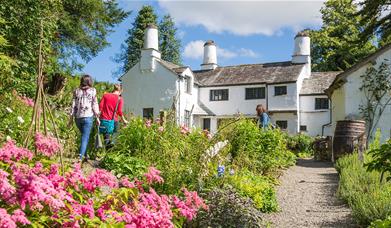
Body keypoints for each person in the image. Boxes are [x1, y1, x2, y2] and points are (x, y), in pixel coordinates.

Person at [69, 75, 100, 162]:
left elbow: (73, 105)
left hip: (78, 118)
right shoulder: (93, 91)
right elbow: (94, 104)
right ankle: (80, 157)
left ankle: (85, 156)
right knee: (85, 137)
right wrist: (97, 117)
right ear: (89, 81)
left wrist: (71, 118)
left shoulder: (76, 91)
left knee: (84, 136)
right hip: (88, 117)